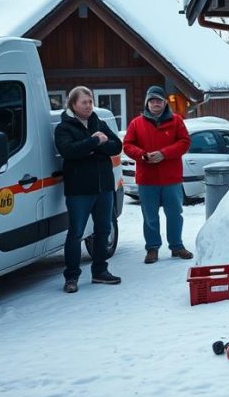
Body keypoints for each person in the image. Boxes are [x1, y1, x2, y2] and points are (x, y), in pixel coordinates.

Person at [54, 86, 123, 293]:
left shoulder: (99, 122)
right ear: (73, 104)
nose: (88, 106)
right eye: (84, 102)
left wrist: (92, 146)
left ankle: (100, 271)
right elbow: (69, 151)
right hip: (79, 191)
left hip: (104, 188)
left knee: (103, 230)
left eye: (90, 101)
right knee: (76, 234)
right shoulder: (64, 128)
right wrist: (94, 141)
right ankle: (71, 277)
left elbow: (116, 146)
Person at [123, 85, 193, 263]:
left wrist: (164, 153)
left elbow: (185, 142)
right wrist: (142, 155)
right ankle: (152, 248)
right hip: (148, 179)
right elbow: (127, 145)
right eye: (152, 100)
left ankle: (177, 246)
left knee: (175, 214)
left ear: (164, 103)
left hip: (171, 179)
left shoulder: (176, 121)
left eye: (159, 100)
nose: (156, 103)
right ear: (147, 103)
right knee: (150, 216)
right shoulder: (136, 123)